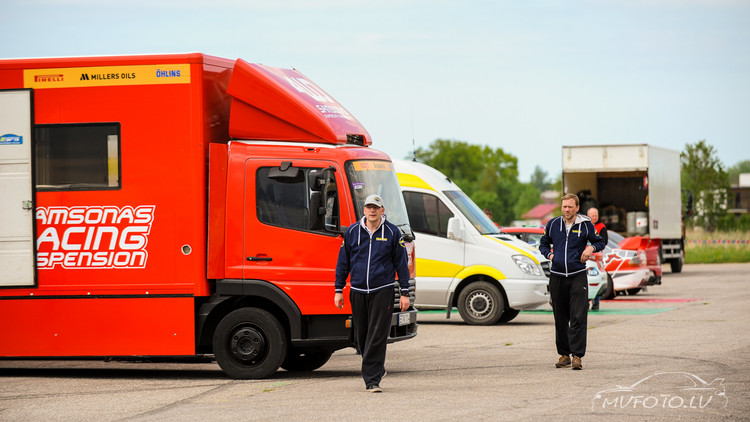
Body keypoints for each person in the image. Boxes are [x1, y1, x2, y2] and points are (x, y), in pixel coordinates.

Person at [335, 194, 411, 393]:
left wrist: (405, 293)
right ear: (364, 210)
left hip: (383, 290)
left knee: (377, 335)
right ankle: (377, 367)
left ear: (382, 210)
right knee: (362, 337)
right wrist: (338, 289)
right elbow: (343, 262)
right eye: (369, 206)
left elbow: (401, 265)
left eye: (376, 207)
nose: (372, 210)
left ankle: (372, 380)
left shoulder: (393, 233)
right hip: (358, 290)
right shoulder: (352, 232)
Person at [539, 193, 605, 370]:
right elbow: (543, 244)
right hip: (557, 276)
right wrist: (550, 255)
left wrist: (591, 247)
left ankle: (577, 356)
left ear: (577, 208)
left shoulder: (585, 225)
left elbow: (600, 242)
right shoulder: (553, 224)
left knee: (578, 316)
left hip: (577, 275)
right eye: (564, 206)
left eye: (570, 207)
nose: (566, 210)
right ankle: (564, 354)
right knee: (560, 318)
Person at [587, 207, 608, 311]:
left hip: (597, 258)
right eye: (592, 216)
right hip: (586, 257)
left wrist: (594, 246)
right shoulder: (585, 226)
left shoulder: (601, 227)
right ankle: (585, 302)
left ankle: (596, 302)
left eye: (595, 215)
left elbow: (605, 241)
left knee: (598, 279)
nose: (594, 217)